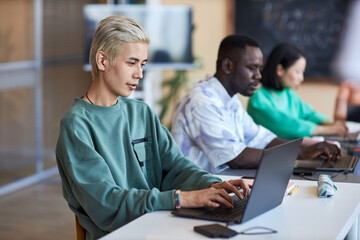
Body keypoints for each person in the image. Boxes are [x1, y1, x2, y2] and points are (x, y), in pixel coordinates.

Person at [55, 15, 250, 240]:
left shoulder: (141, 112)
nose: (139, 74)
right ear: (102, 61)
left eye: (143, 64)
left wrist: (214, 185)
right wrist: (180, 199)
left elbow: (176, 167)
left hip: (159, 225)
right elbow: (106, 204)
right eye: (131, 63)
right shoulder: (76, 125)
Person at [171, 34, 341, 174]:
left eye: (259, 69)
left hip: (221, 186)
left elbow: (262, 138)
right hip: (195, 196)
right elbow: (236, 158)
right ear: (227, 66)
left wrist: (309, 149)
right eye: (252, 68)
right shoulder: (202, 101)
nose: (258, 76)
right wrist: (301, 153)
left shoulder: (230, 101)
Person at [247, 43, 348, 139]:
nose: (301, 78)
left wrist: (331, 123)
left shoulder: (289, 94)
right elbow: (285, 124)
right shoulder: (258, 99)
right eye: (298, 72)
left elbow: (309, 114)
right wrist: (325, 130)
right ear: (280, 70)